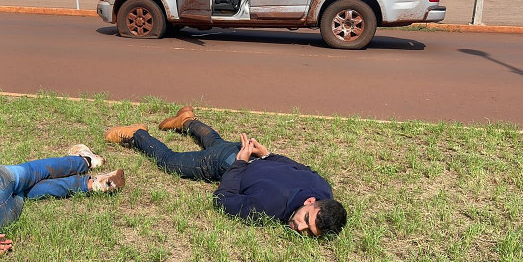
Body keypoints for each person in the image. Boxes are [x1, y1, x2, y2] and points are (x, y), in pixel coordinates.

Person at [104, 107, 346, 237]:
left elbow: (300, 168)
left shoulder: (324, 189)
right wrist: (244, 162)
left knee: (216, 141)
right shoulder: (269, 209)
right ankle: (137, 134)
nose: (299, 228)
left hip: (246, 152)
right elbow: (223, 199)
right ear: (312, 201)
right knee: (169, 161)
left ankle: (187, 120)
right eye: (306, 219)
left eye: (309, 233)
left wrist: (266, 155)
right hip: (230, 162)